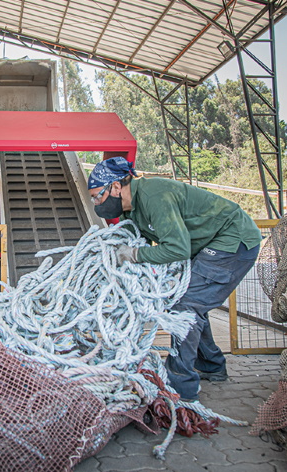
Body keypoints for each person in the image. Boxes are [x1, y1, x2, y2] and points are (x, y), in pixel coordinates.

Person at [87, 156, 261, 402]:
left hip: (233, 242)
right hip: (210, 244)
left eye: (98, 196)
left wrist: (134, 254)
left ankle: (180, 386)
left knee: (186, 306)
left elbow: (177, 249)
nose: (96, 203)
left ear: (116, 187)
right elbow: (134, 238)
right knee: (191, 300)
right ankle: (211, 364)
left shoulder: (153, 196)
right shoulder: (132, 210)